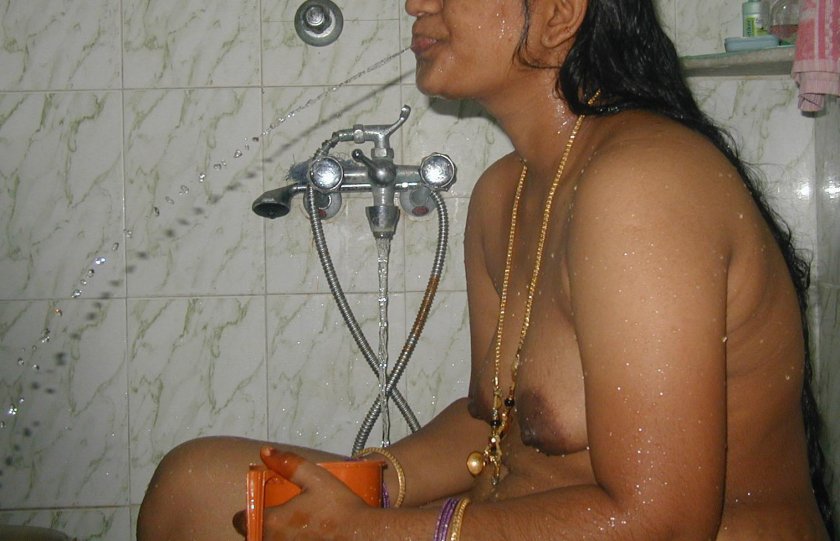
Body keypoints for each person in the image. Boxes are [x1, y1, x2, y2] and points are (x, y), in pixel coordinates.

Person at [137, 0, 835, 539]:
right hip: (508, 517)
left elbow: (661, 523)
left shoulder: (645, 184)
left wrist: (376, 533)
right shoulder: (507, 191)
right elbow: (498, 425)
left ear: (559, 14)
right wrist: (373, 481)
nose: (414, 4)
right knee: (196, 487)